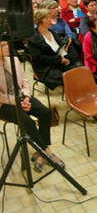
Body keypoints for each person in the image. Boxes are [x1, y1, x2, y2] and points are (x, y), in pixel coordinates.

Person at [0, 41, 65, 172]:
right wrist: (18, 101)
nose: (7, 47)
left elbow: (25, 81)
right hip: (4, 104)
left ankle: (40, 151)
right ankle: (46, 151)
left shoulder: (14, 60)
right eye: (2, 46)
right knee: (27, 121)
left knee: (45, 112)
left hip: (22, 97)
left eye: (7, 44)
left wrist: (26, 97)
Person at [28, 9, 78, 90]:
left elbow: (60, 48)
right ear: (40, 20)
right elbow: (39, 58)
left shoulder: (52, 32)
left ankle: (80, 95)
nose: (50, 21)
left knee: (78, 71)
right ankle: (74, 97)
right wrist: (59, 60)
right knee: (68, 77)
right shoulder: (33, 38)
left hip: (58, 63)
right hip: (45, 68)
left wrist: (64, 58)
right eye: (47, 18)